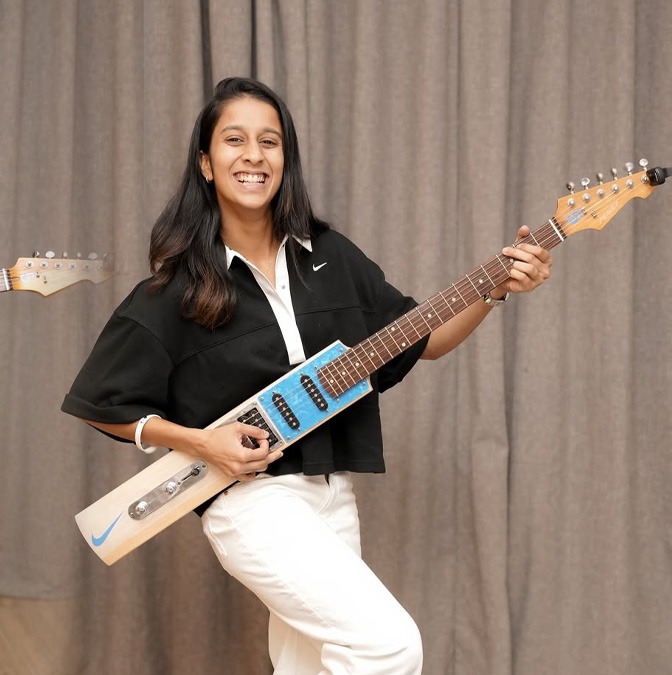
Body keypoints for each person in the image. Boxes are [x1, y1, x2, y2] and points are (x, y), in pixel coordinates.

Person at [62, 77, 553, 674]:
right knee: (386, 645)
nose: (253, 155)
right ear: (206, 163)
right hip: (251, 503)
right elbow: (100, 402)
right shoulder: (179, 288)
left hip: (332, 494)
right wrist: (198, 441)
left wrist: (496, 287)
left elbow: (421, 339)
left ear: (285, 159)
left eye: (270, 142)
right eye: (234, 140)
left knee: (308, 665)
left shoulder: (329, 254)